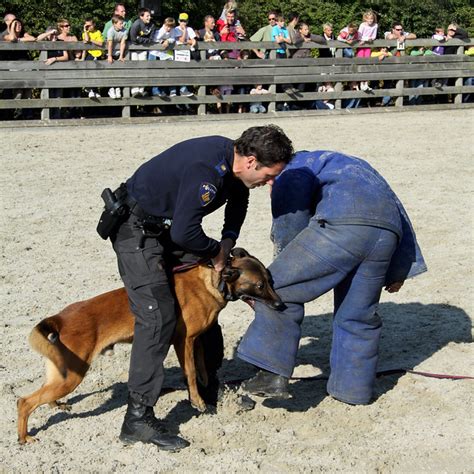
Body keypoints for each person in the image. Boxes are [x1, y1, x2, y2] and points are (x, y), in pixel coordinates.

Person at [101, 125, 294, 450]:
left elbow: (237, 207)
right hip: (136, 232)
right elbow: (184, 233)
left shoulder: (234, 168)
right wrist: (215, 253)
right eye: (268, 175)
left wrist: (227, 245)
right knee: (157, 315)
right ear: (250, 161)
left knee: (208, 297)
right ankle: (137, 418)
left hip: (165, 228)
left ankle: (208, 385)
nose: (269, 183)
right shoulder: (209, 171)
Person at [238, 150, 427, 406]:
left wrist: (283, 266)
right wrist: (399, 269)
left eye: (270, 178)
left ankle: (270, 373)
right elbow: (395, 210)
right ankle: (353, 392)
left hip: (344, 226)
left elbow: (290, 226)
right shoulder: (353, 165)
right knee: (357, 315)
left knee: (275, 289)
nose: (269, 182)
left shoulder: (292, 172)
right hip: (386, 235)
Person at [129, 7, 156, 97]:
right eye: (147, 16)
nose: (149, 17)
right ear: (141, 16)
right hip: (134, 50)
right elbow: (133, 39)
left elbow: (151, 39)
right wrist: (145, 40)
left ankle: (141, 90)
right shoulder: (136, 24)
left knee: (143, 69)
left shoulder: (152, 25)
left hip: (143, 50)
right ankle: (134, 90)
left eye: (150, 16)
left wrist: (141, 40)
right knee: (134, 69)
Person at [149, 17, 177, 98]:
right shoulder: (160, 31)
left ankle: (163, 90)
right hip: (154, 52)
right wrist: (162, 41)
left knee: (165, 71)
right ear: (164, 24)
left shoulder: (172, 30)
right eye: (167, 26)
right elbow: (155, 39)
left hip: (164, 53)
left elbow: (173, 38)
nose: (168, 28)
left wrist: (168, 41)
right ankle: (155, 90)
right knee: (154, 71)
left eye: (170, 27)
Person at [172, 13, 195, 97]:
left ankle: (183, 90)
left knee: (184, 72)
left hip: (186, 54)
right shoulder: (176, 29)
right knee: (176, 72)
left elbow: (193, 41)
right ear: (178, 21)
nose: (183, 23)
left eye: (184, 21)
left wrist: (186, 41)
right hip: (177, 53)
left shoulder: (190, 29)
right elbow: (181, 40)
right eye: (181, 21)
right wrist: (185, 32)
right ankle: (174, 90)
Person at [81, 18, 104, 99]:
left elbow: (100, 43)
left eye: (89, 25)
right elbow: (86, 39)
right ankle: (90, 89)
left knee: (97, 74)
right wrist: (85, 30)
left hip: (98, 55)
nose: (88, 27)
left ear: (94, 24)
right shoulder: (85, 33)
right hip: (90, 55)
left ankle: (94, 90)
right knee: (90, 72)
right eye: (86, 26)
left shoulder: (98, 32)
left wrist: (91, 40)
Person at [106, 15, 128, 99]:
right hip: (110, 53)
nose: (122, 25)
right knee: (111, 72)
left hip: (118, 53)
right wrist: (110, 56)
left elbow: (123, 43)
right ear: (114, 24)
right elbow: (110, 44)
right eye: (120, 23)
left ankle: (118, 88)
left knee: (119, 71)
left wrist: (121, 56)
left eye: (122, 23)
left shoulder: (124, 31)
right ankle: (111, 88)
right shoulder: (110, 31)